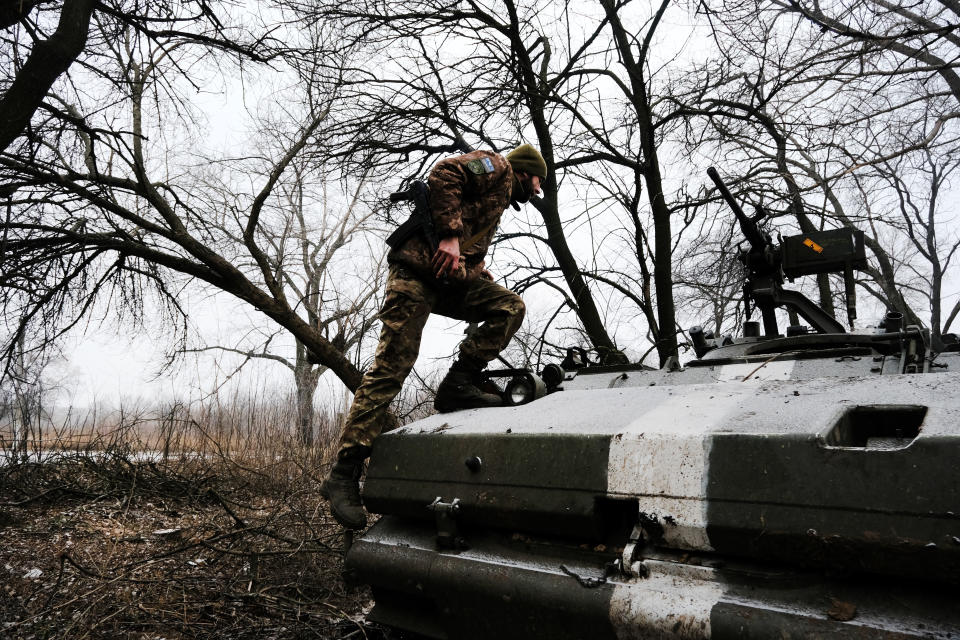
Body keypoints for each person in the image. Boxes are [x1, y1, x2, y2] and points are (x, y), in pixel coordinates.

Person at [320, 144, 548, 529]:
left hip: (447, 280)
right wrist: (449, 236)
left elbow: (465, 241)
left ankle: (458, 383)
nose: (538, 190)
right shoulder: (500, 167)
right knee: (392, 367)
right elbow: (445, 173)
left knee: (508, 306)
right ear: (528, 172)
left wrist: (475, 267)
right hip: (415, 274)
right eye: (538, 181)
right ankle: (343, 473)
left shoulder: (499, 195)